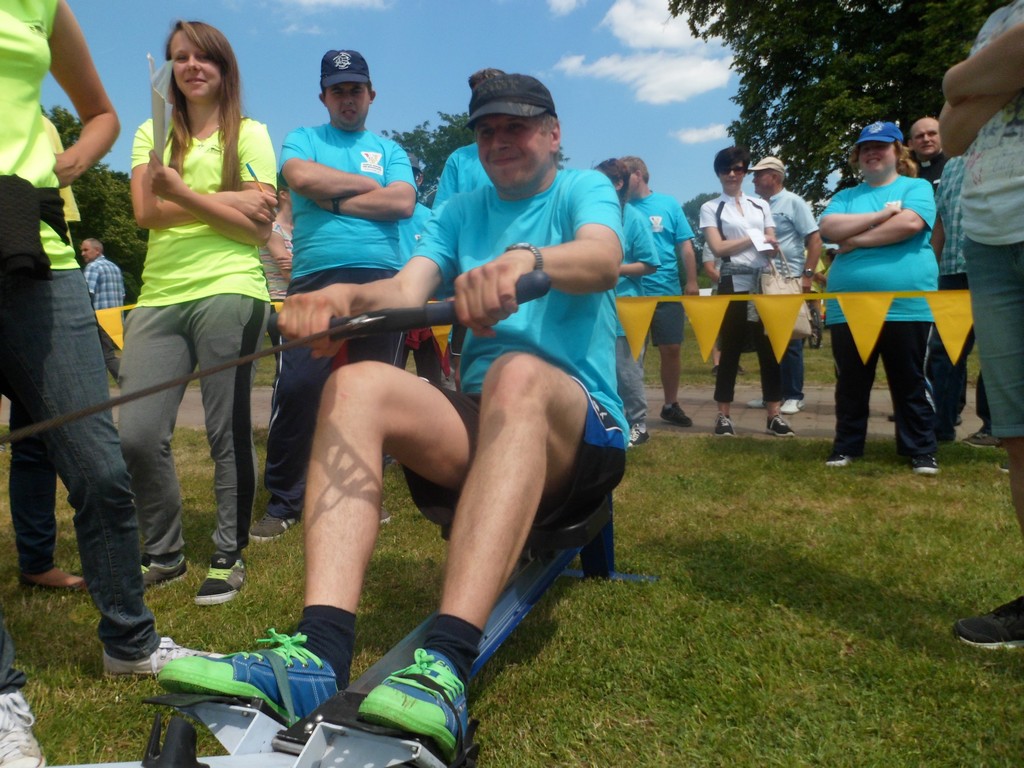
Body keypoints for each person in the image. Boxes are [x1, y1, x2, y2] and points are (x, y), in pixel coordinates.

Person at [158, 73, 627, 764]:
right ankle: (318, 654)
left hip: (581, 430)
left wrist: (527, 260)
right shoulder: (459, 210)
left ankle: (446, 664)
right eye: (487, 130)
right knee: (356, 385)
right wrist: (340, 297)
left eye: (517, 126)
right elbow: (406, 288)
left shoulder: (582, 189)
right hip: (489, 424)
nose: (499, 140)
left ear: (553, 135)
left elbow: (603, 259)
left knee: (517, 372)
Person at [0, 3, 206, 763]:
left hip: (35, 250)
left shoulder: (38, 5)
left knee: (100, 465)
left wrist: (61, 168)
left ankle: (131, 641)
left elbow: (101, 114)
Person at [121, 20, 278, 605]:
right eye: (179, 57)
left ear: (223, 67)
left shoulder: (251, 134)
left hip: (230, 288)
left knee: (225, 431)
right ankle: (164, 553)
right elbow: (144, 212)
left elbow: (258, 230)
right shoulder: (150, 132)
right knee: (137, 434)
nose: (191, 66)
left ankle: (228, 552)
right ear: (167, 70)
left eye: (203, 57)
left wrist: (181, 193)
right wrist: (230, 201)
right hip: (159, 294)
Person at [251, 49, 415, 543]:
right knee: (299, 387)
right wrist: (366, 187)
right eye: (338, 90)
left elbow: (403, 201)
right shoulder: (303, 138)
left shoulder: (391, 150)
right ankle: (285, 500)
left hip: (381, 280)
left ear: (371, 94)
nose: (348, 98)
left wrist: (334, 200)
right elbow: (299, 178)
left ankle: (363, 493)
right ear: (323, 96)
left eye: (356, 89)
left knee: (374, 393)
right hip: (314, 279)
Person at [940, 2, 1024, 646]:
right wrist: (995, 73)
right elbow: (954, 134)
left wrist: (959, 80)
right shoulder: (995, 20)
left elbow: (956, 96)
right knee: (1017, 436)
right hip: (989, 238)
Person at [818, 121, 939, 474]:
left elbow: (910, 225)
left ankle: (921, 449)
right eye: (865, 148)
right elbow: (828, 229)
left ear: (897, 152)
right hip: (849, 305)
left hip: (907, 303)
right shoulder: (844, 196)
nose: (872, 152)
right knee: (850, 382)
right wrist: (882, 215)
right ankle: (846, 446)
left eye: (881, 146)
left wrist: (855, 239)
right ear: (858, 156)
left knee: (911, 380)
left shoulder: (916, 187)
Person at [700, 146, 795, 438]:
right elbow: (718, 247)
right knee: (730, 349)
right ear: (718, 173)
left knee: (769, 349)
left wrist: (769, 243)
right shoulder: (710, 207)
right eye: (726, 169)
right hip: (732, 282)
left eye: (738, 169)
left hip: (763, 281)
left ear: (744, 172)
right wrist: (754, 238)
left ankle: (774, 414)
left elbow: (771, 241)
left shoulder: (760, 205)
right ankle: (723, 415)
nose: (732, 174)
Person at [621, 155, 698, 428]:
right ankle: (628, 409)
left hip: (666, 289)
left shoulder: (669, 204)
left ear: (638, 175)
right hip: (631, 292)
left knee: (672, 348)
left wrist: (692, 281)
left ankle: (670, 405)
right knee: (630, 353)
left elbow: (685, 245)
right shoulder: (620, 207)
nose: (620, 182)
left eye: (624, 176)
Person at [927, 155, 995, 446]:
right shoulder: (952, 167)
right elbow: (940, 223)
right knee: (944, 353)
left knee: (997, 352)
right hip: (950, 272)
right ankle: (941, 427)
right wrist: (932, 268)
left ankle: (995, 427)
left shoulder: (1006, 154)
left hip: (994, 269)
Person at [750, 156, 822, 416]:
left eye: (759, 174)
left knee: (791, 337)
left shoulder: (793, 202)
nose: (753, 179)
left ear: (775, 176)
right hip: (763, 280)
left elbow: (815, 239)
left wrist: (808, 276)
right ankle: (772, 394)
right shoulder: (756, 206)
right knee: (768, 340)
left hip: (788, 279)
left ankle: (794, 395)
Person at [595, 158, 658, 447]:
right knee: (601, 368)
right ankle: (609, 421)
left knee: (627, 370)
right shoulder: (593, 216)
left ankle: (638, 424)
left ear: (619, 184)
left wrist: (614, 269)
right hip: (596, 306)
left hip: (627, 309)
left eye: (602, 182)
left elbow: (649, 264)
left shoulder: (633, 218)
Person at [399, 152, 449, 386]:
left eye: (409, 173)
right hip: (394, 307)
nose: (403, 178)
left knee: (433, 382)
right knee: (388, 377)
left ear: (419, 179)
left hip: (430, 310)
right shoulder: (382, 217)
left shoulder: (432, 219)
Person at [81, 237, 125, 377]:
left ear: (97, 250)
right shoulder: (114, 268)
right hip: (115, 319)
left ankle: (130, 384)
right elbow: (122, 294)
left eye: (86, 250)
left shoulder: (93, 267)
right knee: (103, 355)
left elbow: (86, 294)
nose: (82, 253)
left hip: (100, 319)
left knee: (106, 356)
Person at [907, 116, 947, 193]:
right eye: (920, 136)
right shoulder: (906, 172)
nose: (926, 139)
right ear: (910, 144)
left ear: (942, 137)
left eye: (932, 134)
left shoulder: (954, 166)